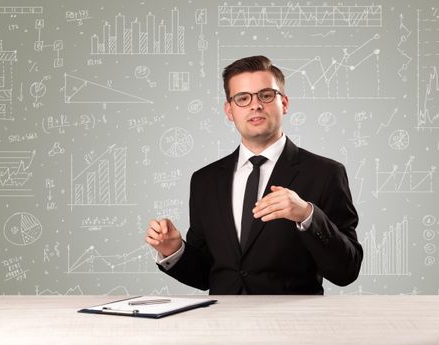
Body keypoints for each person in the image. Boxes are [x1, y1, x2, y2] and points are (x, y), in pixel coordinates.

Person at [145, 55, 363, 295]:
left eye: (266, 95)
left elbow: (347, 271)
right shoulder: (204, 181)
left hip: (293, 325)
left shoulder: (325, 174)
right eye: (243, 98)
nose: (255, 105)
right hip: (222, 325)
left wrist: (307, 215)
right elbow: (208, 274)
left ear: (285, 103)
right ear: (229, 110)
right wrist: (174, 250)